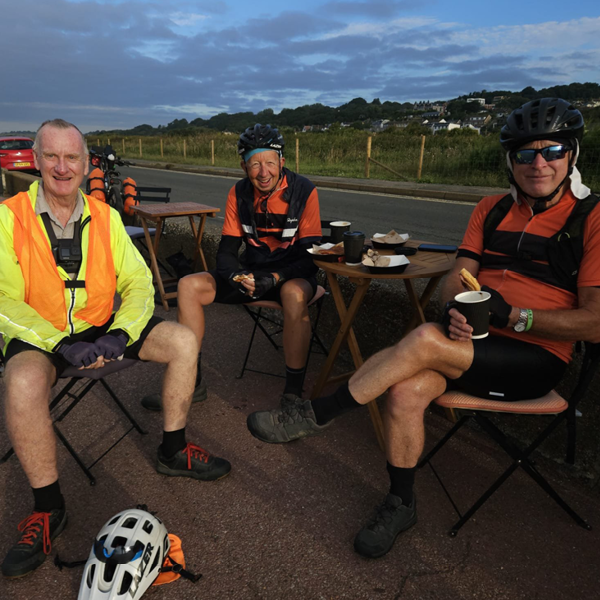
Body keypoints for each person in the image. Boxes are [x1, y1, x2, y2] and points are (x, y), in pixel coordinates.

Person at [246, 98, 600, 558]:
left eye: (552, 151)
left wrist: (514, 316)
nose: (538, 164)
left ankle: (317, 414)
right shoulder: (491, 210)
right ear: (509, 161)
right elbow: (456, 278)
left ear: (571, 155)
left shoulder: (591, 217)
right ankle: (400, 502)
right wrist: (459, 304)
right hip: (468, 343)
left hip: (535, 359)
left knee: (425, 339)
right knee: (403, 391)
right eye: (524, 153)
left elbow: (593, 322)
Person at [0, 119, 231, 579]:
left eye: (72, 158)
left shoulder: (106, 217)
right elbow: (2, 297)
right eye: (52, 156)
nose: (62, 167)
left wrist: (121, 334)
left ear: (87, 166)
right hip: (41, 335)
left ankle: (173, 449)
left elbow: (139, 282)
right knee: (22, 380)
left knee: (183, 339)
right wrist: (60, 343)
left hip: (103, 327)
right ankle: (48, 509)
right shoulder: (8, 217)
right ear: (37, 160)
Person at [140, 124, 322, 411]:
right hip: (252, 274)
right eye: (255, 164)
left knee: (293, 295)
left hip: (290, 276)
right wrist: (236, 275)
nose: (264, 172)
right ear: (243, 166)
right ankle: (190, 383)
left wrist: (274, 278)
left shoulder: (305, 190)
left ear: (282, 163)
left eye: (270, 163)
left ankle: (293, 395)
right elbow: (226, 251)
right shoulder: (238, 193)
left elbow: (310, 256)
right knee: (189, 285)